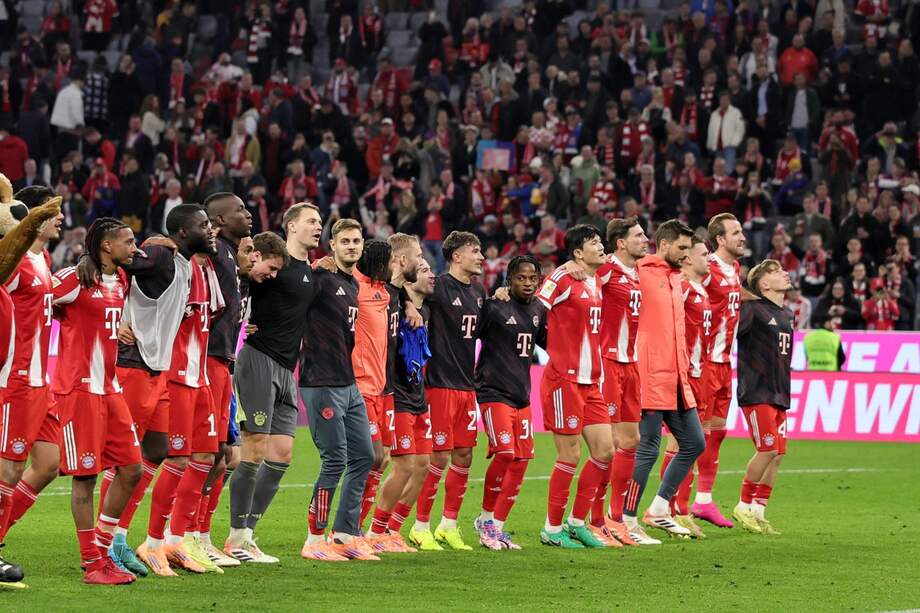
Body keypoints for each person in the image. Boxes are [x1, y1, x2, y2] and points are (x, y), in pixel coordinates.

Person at [225, 202, 321, 563]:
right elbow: (236, 281)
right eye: (311, 221)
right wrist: (243, 319)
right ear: (291, 226)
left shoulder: (311, 273)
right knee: (253, 447)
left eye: (320, 222)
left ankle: (247, 535)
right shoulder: (267, 267)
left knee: (281, 454)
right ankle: (233, 537)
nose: (317, 227)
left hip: (287, 368)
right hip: (260, 359)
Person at [51, 218, 142, 585]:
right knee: (86, 478)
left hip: (110, 388)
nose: (134, 248)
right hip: (79, 391)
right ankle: (92, 564)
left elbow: (101, 316)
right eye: (129, 241)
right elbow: (41, 301)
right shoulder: (74, 277)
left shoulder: (120, 279)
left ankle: (103, 550)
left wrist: (115, 327)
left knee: (132, 468)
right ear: (106, 246)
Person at [142, 205, 225, 575]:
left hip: (200, 379)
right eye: (203, 224)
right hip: (175, 377)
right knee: (173, 458)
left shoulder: (205, 267)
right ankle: (153, 543)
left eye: (210, 223)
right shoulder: (170, 264)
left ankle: (177, 540)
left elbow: (214, 316)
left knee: (206, 458)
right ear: (180, 231)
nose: (211, 229)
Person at [623, 219, 705, 541]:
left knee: (695, 442)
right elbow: (600, 278)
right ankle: (627, 519)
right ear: (666, 244)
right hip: (649, 374)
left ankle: (658, 509)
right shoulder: (641, 271)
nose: (686, 254)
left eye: (689, 248)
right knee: (648, 449)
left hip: (676, 378)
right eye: (682, 248)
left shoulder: (674, 278)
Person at [300, 218, 376, 561]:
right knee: (334, 460)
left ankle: (345, 533)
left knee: (364, 456)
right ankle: (314, 539)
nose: (351, 246)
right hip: (321, 381)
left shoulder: (351, 283)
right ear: (332, 245)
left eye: (356, 241)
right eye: (344, 241)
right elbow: (289, 298)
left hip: (348, 383)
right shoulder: (318, 278)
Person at [0, 188, 64, 582]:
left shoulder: (43, 259)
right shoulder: (13, 265)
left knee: (49, 464)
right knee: (8, 471)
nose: (60, 218)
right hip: (18, 378)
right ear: (32, 219)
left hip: (43, 381)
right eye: (52, 212)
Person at [537, 225, 614, 549]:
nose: (600, 246)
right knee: (569, 454)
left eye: (601, 241)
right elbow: (536, 307)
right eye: (593, 242)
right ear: (577, 252)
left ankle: (577, 522)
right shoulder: (564, 278)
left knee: (605, 451)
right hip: (563, 380)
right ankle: (551, 528)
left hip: (591, 382)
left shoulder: (597, 279)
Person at [409, 231, 486, 552]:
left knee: (465, 455)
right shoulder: (437, 287)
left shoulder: (480, 292)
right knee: (438, 456)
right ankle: (420, 526)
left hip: (467, 386)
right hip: (439, 385)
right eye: (475, 250)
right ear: (456, 256)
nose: (481, 256)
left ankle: (449, 525)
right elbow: (409, 291)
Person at [472, 255, 546, 550]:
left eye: (532, 279)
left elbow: (551, 344)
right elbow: (468, 336)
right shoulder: (495, 307)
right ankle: (485, 518)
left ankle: (498, 527)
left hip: (522, 396)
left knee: (522, 459)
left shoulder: (540, 310)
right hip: (492, 392)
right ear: (509, 280)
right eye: (521, 278)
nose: (527, 283)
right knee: (504, 453)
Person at [365, 233, 427, 554]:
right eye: (417, 255)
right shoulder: (377, 290)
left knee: (391, 460)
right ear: (402, 260)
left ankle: (379, 530)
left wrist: (404, 301)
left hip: (391, 390)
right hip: (383, 389)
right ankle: (373, 530)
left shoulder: (394, 293)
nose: (421, 260)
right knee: (391, 463)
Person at [733, 260, 794, 535]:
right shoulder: (752, 310)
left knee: (778, 454)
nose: (785, 272)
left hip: (779, 392)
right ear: (764, 283)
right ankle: (743, 505)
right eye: (776, 271)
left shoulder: (786, 315)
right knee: (767, 449)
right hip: (757, 391)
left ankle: (759, 510)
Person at [694, 213, 746, 528]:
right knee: (692, 438)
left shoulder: (735, 269)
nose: (742, 236)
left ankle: (703, 502)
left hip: (724, 363)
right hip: (702, 364)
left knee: (717, 434)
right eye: (736, 232)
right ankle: (671, 508)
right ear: (721, 240)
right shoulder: (706, 268)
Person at [661, 235, 713, 539]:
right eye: (704, 254)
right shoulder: (679, 287)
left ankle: (679, 509)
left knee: (693, 444)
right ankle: (668, 509)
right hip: (681, 375)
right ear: (689, 258)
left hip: (699, 373)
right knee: (680, 443)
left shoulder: (700, 290)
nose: (708, 259)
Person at [350, 240, 396, 532]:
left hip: (381, 388)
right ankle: (347, 527)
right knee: (372, 457)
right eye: (390, 261)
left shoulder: (385, 293)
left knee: (382, 459)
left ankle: (358, 528)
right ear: (380, 263)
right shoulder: (357, 289)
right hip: (361, 386)